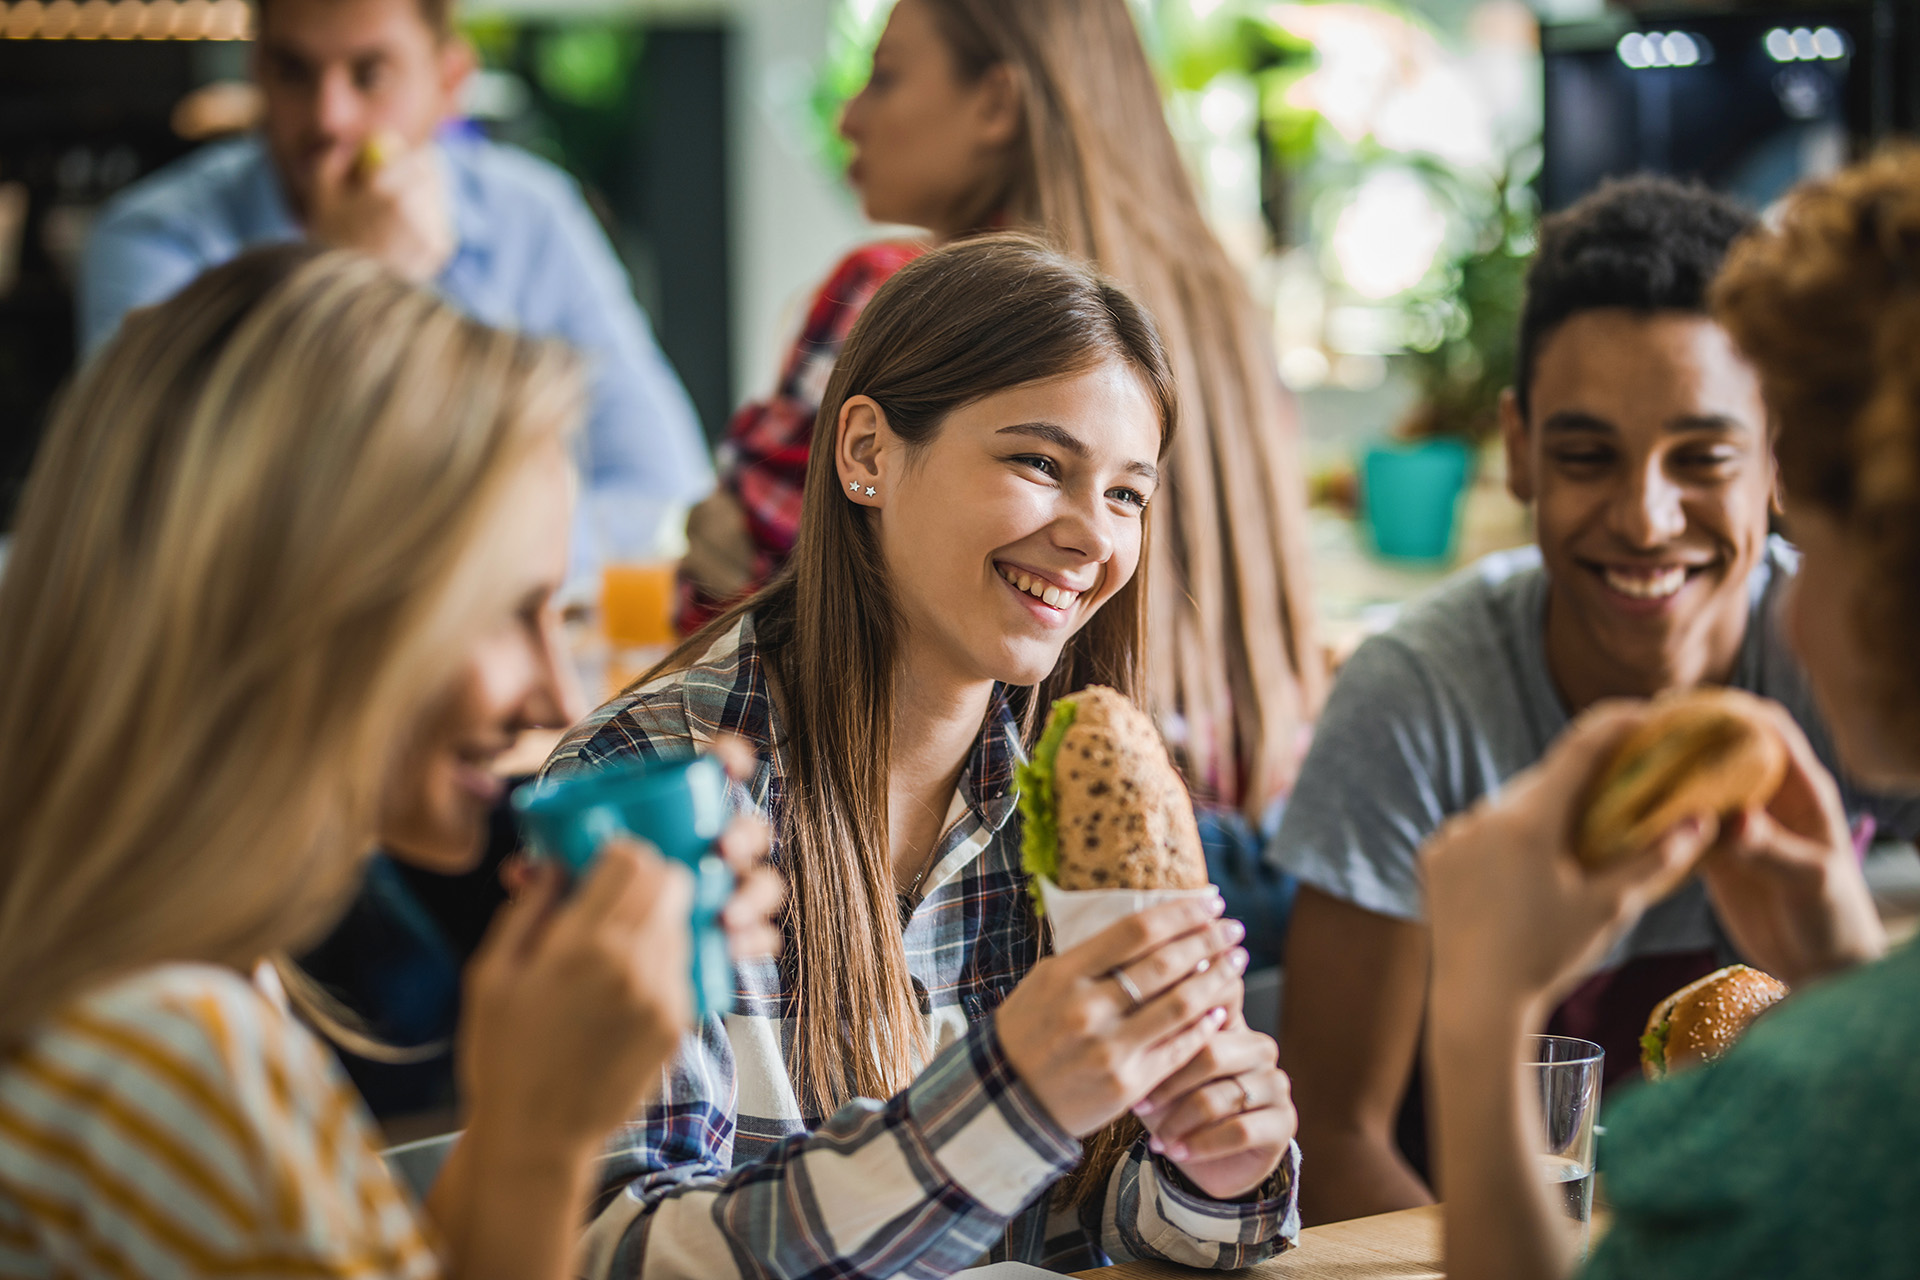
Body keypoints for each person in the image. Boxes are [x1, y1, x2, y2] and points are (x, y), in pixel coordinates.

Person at [0, 245, 779, 1278]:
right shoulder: (174, 1060)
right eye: (510, 610)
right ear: (306, 596)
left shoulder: (202, 983)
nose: (556, 694)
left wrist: (530, 1102)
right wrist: (544, 1135)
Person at [546, 235, 1300, 1279]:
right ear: (865, 452)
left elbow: (1137, 1233)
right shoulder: (647, 786)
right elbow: (616, 1252)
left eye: (1128, 492)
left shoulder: (1084, 790)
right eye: (1040, 462)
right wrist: (1007, 1102)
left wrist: (1214, 1170)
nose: (1093, 536)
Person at [1270, 175, 1920, 1224]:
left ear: (1780, 457)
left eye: (1702, 455)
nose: (1647, 517)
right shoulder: (1419, 696)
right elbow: (1333, 1133)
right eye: (1586, 456)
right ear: (1518, 446)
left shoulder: (1858, 647)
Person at [678, 0, 1324, 959]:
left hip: (1044, 851)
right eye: (1037, 462)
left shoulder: (897, 293)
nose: (850, 116)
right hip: (1252, 863)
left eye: (886, 75)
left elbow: (784, 606)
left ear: (996, 102)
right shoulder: (1222, 302)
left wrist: (710, 529)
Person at [77, 0, 712, 591]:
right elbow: (154, 524)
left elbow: (661, 494)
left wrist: (436, 574)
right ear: (257, 70)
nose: (330, 117)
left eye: (370, 74)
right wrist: (347, 282)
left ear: (449, 80)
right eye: (293, 70)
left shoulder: (533, 217)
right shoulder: (152, 239)